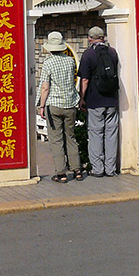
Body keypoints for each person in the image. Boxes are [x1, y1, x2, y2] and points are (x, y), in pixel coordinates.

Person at [37, 31, 83, 183]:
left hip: (54, 105)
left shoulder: (48, 62)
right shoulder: (70, 61)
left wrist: (41, 106)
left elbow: (45, 87)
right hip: (70, 104)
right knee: (70, 136)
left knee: (56, 139)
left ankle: (61, 173)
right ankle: (77, 169)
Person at [78, 26, 120, 177]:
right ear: (103, 37)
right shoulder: (113, 52)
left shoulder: (88, 54)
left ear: (90, 38)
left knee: (96, 134)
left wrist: (82, 98)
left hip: (95, 100)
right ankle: (110, 169)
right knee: (111, 134)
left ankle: (98, 169)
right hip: (112, 99)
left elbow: (85, 79)